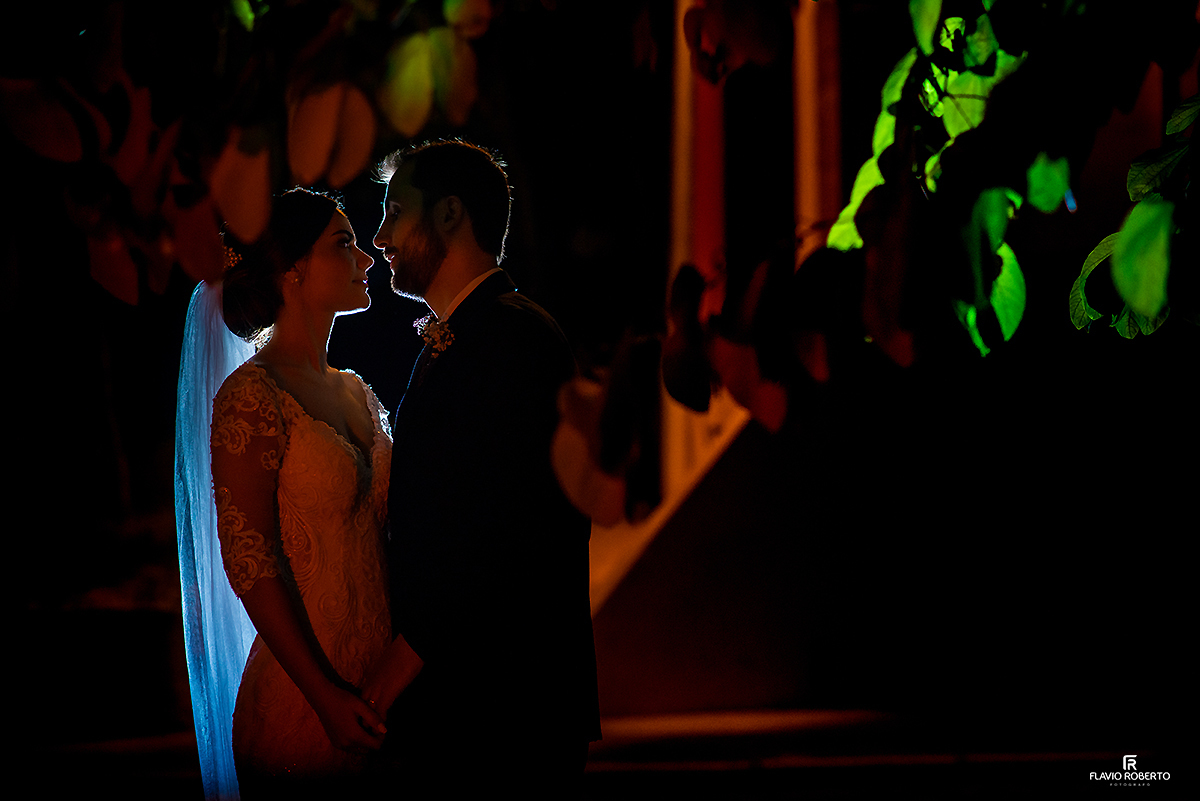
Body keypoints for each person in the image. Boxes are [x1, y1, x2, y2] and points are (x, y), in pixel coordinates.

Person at [364, 140, 600, 791]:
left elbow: (505, 528)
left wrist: (405, 657)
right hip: (469, 704)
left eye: (394, 211)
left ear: (448, 215)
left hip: (508, 709)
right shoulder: (456, 338)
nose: (380, 235)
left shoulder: (515, 339)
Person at [176, 188, 401, 800]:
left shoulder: (357, 393)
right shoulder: (252, 399)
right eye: (344, 245)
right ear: (291, 268)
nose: (367, 260)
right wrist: (324, 696)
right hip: (303, 700)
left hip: (388, 694)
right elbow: (251, 560)